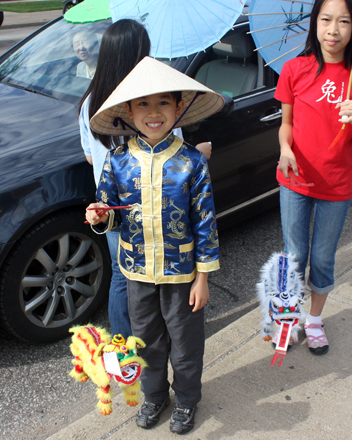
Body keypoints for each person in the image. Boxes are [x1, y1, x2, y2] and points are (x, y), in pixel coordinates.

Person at [85, 56, 223, 434]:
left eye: (163, 102)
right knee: (146, 341)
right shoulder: (116, 161)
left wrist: (203, 277)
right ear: (128, 111)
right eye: (143, 104)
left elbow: (205, 221)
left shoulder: (192, 162)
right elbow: (111, 211)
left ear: (179, 108)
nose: (153, 112)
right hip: (137, 271)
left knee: (185, 343)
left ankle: (187, 401)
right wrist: (101, 215)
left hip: (182, 274)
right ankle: (154, 396)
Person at [78, 19, 212, 339]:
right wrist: (201, 153)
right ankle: (160, 338)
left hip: (111, 207)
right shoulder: (154, 100)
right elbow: (174, 157)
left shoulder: (90, 104)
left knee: (122, 278)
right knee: (157, 278)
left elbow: (88, 155)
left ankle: (126, 351)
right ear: (139, 55)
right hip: (155, 208)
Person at [275, 0, 352, 355]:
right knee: (294, 255)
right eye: (326, 20)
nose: (333, 30)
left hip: (337, 186)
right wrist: (285, 149)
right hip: (295, 179)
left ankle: (314, 320)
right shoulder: (295, 68)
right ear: (315, 23)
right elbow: (286, 125)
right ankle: (288, 318)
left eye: (343, 22)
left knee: (322, 257)